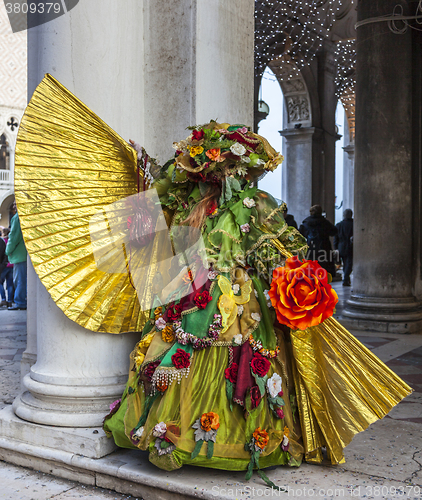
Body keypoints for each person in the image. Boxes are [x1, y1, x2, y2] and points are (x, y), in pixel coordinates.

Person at [14, 76, 411, 485]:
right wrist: (140, 168)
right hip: (191, 288)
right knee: (181, 354)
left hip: (237, 297)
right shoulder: (190, 203)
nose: (221, 176)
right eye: (215, 169)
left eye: (225, 169)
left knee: (239, 357)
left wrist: (290, 279)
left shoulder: (255, 205)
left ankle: (236, 441)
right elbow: (156, 213)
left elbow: (277, 250)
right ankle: (177, 435)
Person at [299, 205, 337, 278]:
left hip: (311, 248)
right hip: (324, 247)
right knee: (324, 268)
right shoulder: (325, 222)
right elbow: (334, 231)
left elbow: (300, 233)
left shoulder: (306, 223)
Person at [6, 202, 27, 310]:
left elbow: (13, 236)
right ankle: (21, 301)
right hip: (25, 253)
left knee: (19, 280)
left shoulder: (17, 218)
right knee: (22, 280)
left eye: (15, 203)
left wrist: (7, 250)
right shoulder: (26, 216)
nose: (13, 206)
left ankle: (20, 302)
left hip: (19, 255)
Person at [334, 209, 354, 286]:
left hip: (340, 246)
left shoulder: (339, 225)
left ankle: (346, 278)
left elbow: (336, 237)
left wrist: (335, 247)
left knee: (342, 263)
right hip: (350, 246)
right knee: (348, 263)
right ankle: (346, 278)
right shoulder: (354, 224)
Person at [0, 228, 14, 307]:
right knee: (10, 284)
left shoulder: (3, 241)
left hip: (4, 265)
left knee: (0, 283)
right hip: (12, 264)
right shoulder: (12, 241)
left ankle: (3, 299)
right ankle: (9, 301)